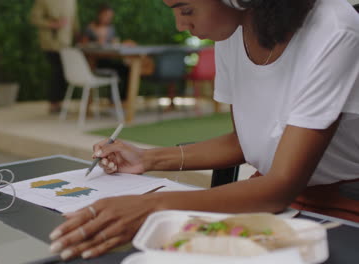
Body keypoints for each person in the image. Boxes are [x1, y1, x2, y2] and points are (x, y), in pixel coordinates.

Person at [48, 0, 359, 261]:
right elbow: (246, 140)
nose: (180, 26)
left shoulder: (333, 29)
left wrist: (150, 207)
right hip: (262, 195)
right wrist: (148, 158)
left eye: (186, 10)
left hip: (341, 206)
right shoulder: (232, 31)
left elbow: (282, 184)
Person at [30, 0, 79, 113]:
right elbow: (34, 18)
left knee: (63, 73)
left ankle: (58, 103)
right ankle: (54, 104)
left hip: (66, 43)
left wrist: (77, 34)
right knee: (58, 71)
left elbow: (74, 19)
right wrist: (52, 24)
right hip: (50, 44)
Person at [81, 4, 132, 101]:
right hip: (94, 63)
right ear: (100, 15)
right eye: (106, 15)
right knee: (118, 70)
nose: (108, 18)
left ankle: (121, 100)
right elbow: (83, 45)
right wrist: (97, 43)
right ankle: (115, 100)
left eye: (110, 16)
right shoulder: (90, 28)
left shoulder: (111, 29)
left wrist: (123, 44)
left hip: (108, 59)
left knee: (127, 69)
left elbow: (114, 44)